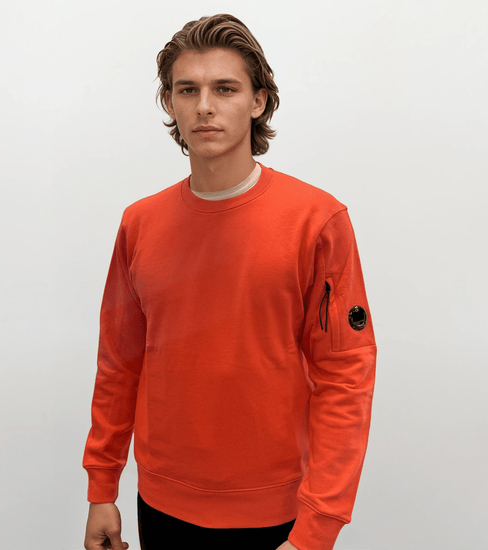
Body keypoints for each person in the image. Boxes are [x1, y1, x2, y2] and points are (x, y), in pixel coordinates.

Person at [82, 13, 376, 550]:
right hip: (162, 504)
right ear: (169, 102)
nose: (204, 106)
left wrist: (318, 529)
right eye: (187, 90)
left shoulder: (317, 221)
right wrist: (102, 488)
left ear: (258, 100)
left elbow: (345, 377)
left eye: (225, 88)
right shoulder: (139, 223)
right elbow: (119, 362)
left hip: (278, 514)